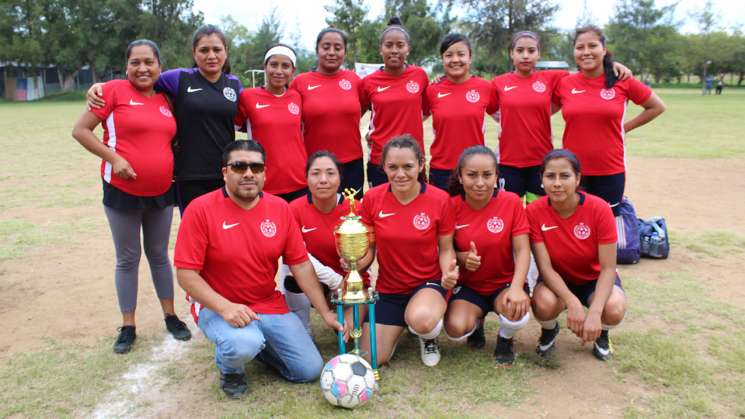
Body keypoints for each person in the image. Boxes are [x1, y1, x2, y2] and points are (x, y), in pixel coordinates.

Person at [174, 140, 343, 398]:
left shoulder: (280, 209)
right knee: (243, 343)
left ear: (265, 173)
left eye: (256, 167)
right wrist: (225, 307)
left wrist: (326, 312)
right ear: (225, 172)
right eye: (239, 167)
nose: (249, 173)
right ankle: (231, 369)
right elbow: (186, 275)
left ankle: (257, 345)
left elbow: (300, 265)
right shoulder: (200, 209)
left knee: (309, 370)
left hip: (267, 303)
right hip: (218, 306)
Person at [72, 39, 191, 354]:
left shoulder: (168, 98)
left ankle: (170, 316)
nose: (142, 68)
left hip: (162, 191)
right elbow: (81, 130)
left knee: (159, 254)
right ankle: (128, 325)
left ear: (159, 67)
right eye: (135, 62)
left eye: (149, 62)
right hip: (121, 190)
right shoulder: (111, 91)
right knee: (128, 258)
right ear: (125, 67)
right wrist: (114, 159)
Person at [87, 25, 242, 213]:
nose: (211, 55)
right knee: (197, 231)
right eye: (204, 50)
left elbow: (244, 118)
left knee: (226, 230)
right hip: (189, 175)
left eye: (217, 49)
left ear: (226, 52)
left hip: (226, 172)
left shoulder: (234, 84)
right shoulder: (178, 78)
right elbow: (141, 79)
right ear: (194, 53)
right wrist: (102, 86)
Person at [492, 31, 633, 205]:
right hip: (508, 162)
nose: (525, 56)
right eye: (520, 51)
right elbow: (490, 107)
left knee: (540, 213)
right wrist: (507, 119)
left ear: (539, 53)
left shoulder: (553, 78)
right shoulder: (498, 82)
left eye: (531, 50)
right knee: (508, 212)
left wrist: (611, 64)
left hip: (542, 161)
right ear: (511, 53)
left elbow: (588, 72)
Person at [357, 135, 458, 367]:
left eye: (408, 167)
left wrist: (447, 273)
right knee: (370, 358)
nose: (400, 174)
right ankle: (401, 323)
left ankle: (428, 336)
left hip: (428, 283)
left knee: (421, 320)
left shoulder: (440, 199)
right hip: (390, 288)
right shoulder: (372, 199)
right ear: (383, 167)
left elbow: (445, 249)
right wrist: (355, 263)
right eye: (392, 167)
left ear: (421, 165)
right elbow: (370, 249)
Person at [553, 25, 665, 214]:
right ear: (574, 52)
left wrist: (625, 128)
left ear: (604, 50)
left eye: (592, 46)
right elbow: (541, 109)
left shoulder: (622, 80)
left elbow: (657, 106)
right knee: (574, 224)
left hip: (610, 169)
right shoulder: (565, 83)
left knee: (606, 227)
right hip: (572, 170)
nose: (586, 52)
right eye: (580, 47)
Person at [527, 149, 626, 361]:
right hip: (557, 279)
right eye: (550, 176)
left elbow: (608, 268)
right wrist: (572, 303)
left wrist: (595, 313)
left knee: (614, 308)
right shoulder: (534, 211)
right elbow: (544, 267)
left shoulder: (599, 208)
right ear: (541, 179)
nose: (557, 183)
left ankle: (602, 333)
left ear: (578, 178)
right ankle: (549, 330)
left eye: (565, 176)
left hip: (594, 279)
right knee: (543, 304)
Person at [444, 146, 531, 365]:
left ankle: (505, 339)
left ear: (496, 176)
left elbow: (522, 250)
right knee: (455, 328)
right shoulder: (450, 206)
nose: (480, 182)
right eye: (472, 175)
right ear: (461, 177)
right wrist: (463, 258)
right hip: (470, 286)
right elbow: (444, 249)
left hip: (504, 283)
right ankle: (477, 322)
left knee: (517, 310)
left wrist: (518, 287)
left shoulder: (511, 202)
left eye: (487, 175)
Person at [284, 151, 369, 336]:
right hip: (319, 282)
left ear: (340, 178)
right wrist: (334, 281)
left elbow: (369, 250)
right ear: (305, 178)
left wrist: (355, 271)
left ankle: (352, 309)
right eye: (315, 173)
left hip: (352, 285)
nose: (323, 180)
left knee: (348, 336)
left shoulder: (355, 207)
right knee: (290, 277)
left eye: (330, 173)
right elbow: (296, 257)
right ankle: (302, 326)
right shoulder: (294, 209)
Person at [290, 28, 365, 197]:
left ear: (345, 51)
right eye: (326, 47)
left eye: (337, 48)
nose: (332, 52)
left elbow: (365, 105)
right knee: (317, 217)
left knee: (350, 217)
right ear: (317, 50)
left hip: (351, 163)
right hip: (315, 164)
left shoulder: (354, 80)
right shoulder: (300, 82)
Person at [360, 17, 430, 187]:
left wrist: (407, 122)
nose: (394, 50)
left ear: (408, 49)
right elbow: (356, 112)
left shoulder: (419, 76)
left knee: (415, 209)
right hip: (380, 159)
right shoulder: (369, 82)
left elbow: (426, 110)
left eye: (400, 45)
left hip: (413, 158)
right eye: (389, 45)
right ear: (380, 49)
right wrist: (369, 134)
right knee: (381, 210)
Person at [425, 34, 497, 190]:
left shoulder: (486, 87)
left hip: (475, 168)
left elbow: (505, 118)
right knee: (442, 214)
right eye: (449, 55)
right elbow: (414, 118)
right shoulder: (432, 90)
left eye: (461, 54)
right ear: (442, 59)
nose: (455, 59)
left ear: (470, 57)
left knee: (474, 214)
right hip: (441, 169)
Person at [236, 44, 307, 202]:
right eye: (274, 64)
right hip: (263, 181)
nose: (279, 71)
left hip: (299, 180)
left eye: (285, 66)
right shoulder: (247, 97)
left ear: (292, 71)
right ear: (265, 67)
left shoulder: (298, 97)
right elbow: (228, 128)